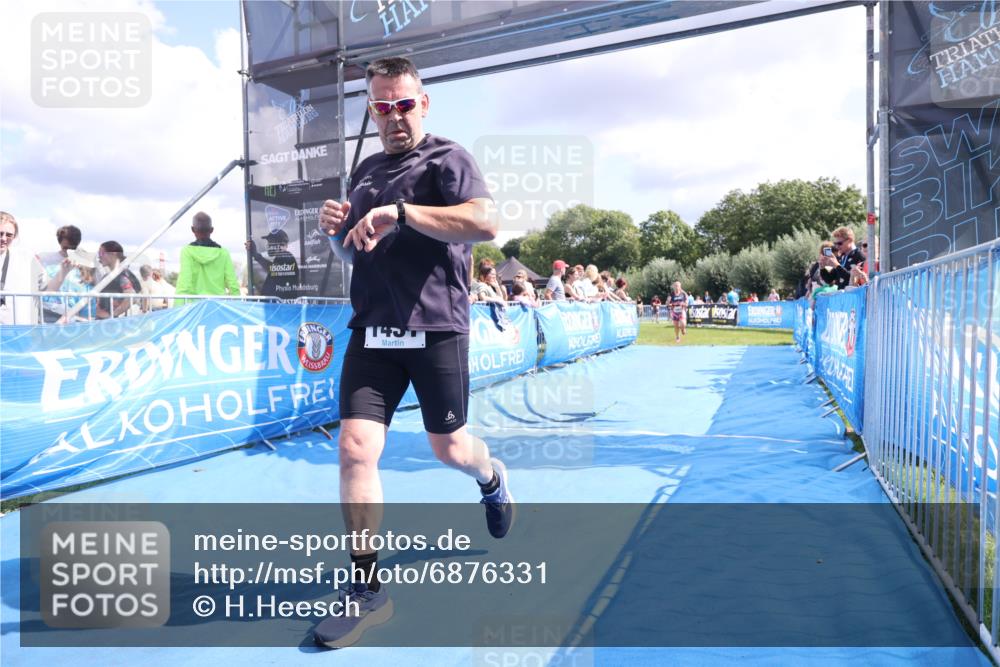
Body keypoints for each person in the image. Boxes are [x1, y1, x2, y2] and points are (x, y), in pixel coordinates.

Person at [314, 56, 513, 648]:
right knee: (354, 448)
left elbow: (485, 224)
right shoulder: (366, 170)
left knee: (450, 449)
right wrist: (337, 231)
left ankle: (491, 477)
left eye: (404, 104)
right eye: (383, 106)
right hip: (372, 331)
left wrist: (399, 212)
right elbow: (355, 252)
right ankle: (367, 590)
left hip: (436, 328)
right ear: (372, 110)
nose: (394, 116)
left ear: (422, 104)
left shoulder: (449, 159)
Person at [175, 212, 240, 300]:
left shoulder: (187, 251)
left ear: (193, 229)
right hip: (218, 305)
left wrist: (178, 307)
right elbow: (233, 284)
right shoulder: (223, 253)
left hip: (195, 306)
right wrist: (237, 303)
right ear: (212, 230)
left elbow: (184, 282)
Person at [35, 225, 88, 323]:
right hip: (47, 314)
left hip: (74, 316)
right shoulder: (44, 258)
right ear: (60, 242)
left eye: (72, 247)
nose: (68, 251)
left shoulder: (85, 263)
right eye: (66, 247)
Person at [0, 212, 38, 325]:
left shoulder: (26, 259)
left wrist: (64, 270)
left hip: (14, 329)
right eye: (0, 233)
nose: (3, 238)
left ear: (15, 236)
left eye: (9, 235)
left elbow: (47, 288)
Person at [246, 229, 300, 299]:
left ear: (280, 244)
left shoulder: (286, 256)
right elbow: (274, 270)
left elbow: (274, 269)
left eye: (271, 242)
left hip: (280, 304)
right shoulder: (280, 258)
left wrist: (257, 256)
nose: (268, 245)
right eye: (268, 243)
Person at [95, 241, 142, 319]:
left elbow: (131, 297)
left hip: (111, 322)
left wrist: (113, 315)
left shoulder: (122, 275)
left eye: (101, 253)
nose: (99, 257)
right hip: (104, 321)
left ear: (114, 254)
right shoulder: (109, 276)